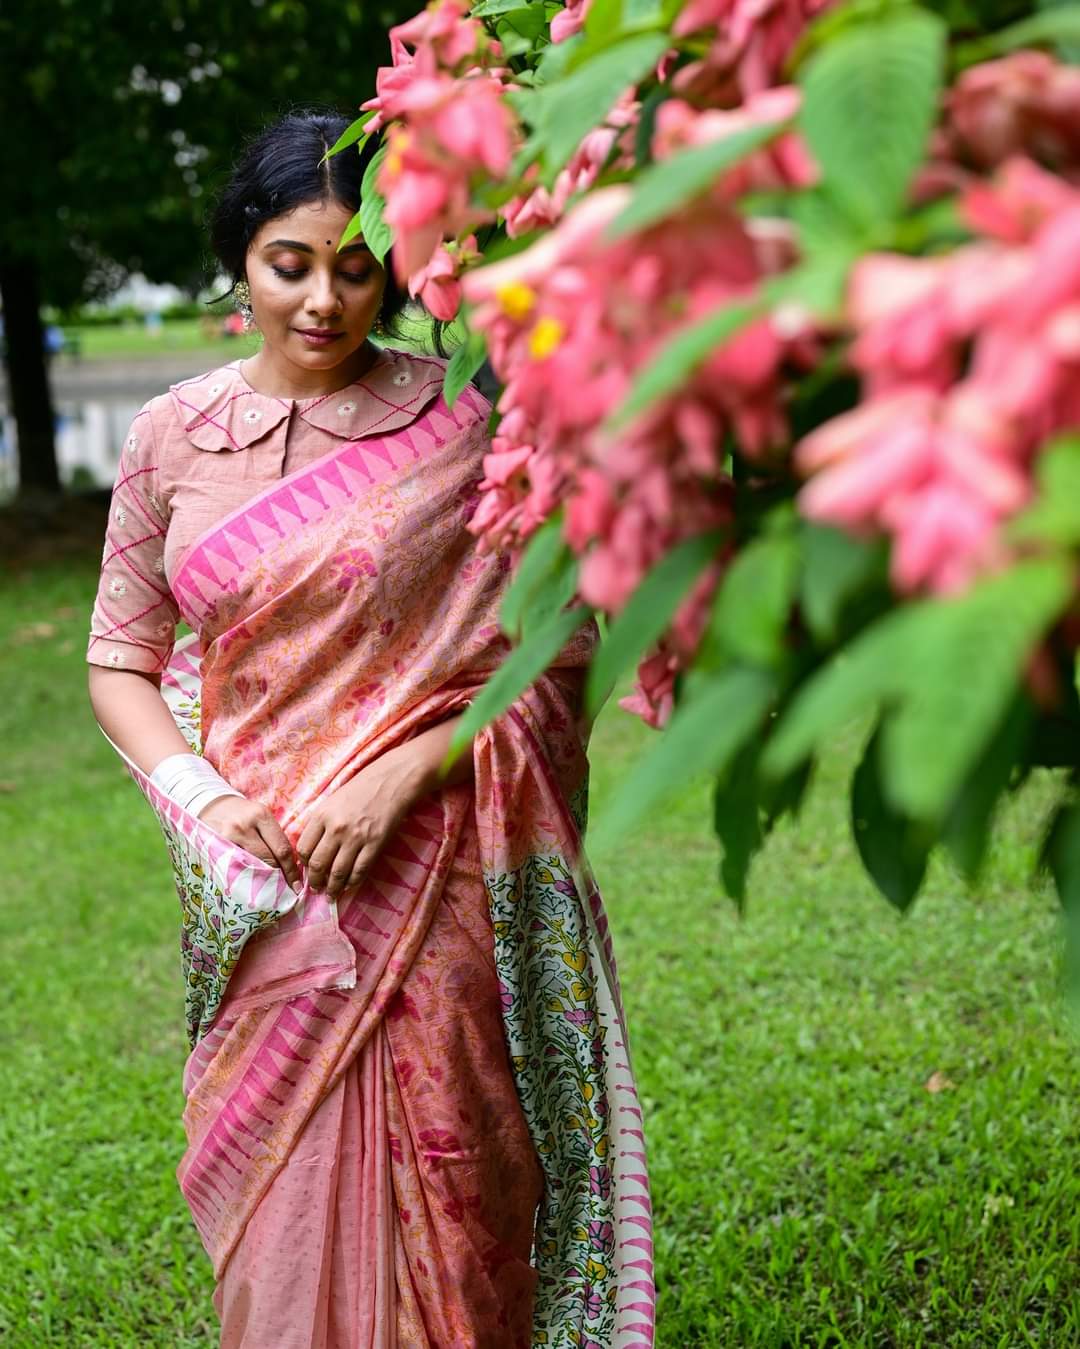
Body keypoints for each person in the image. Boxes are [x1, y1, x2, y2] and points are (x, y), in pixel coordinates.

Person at [86, 107, 653, 1349]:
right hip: (263, 891)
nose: (325, 301)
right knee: (269, 1208)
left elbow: (553, 643)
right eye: (291, 262)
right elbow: (120, 659)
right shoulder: (170, 436)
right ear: (241, 255)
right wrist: (203, 797)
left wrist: (404, 767)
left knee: (460, 1178)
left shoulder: (463, 426)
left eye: (357, 267)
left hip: (439, 870)